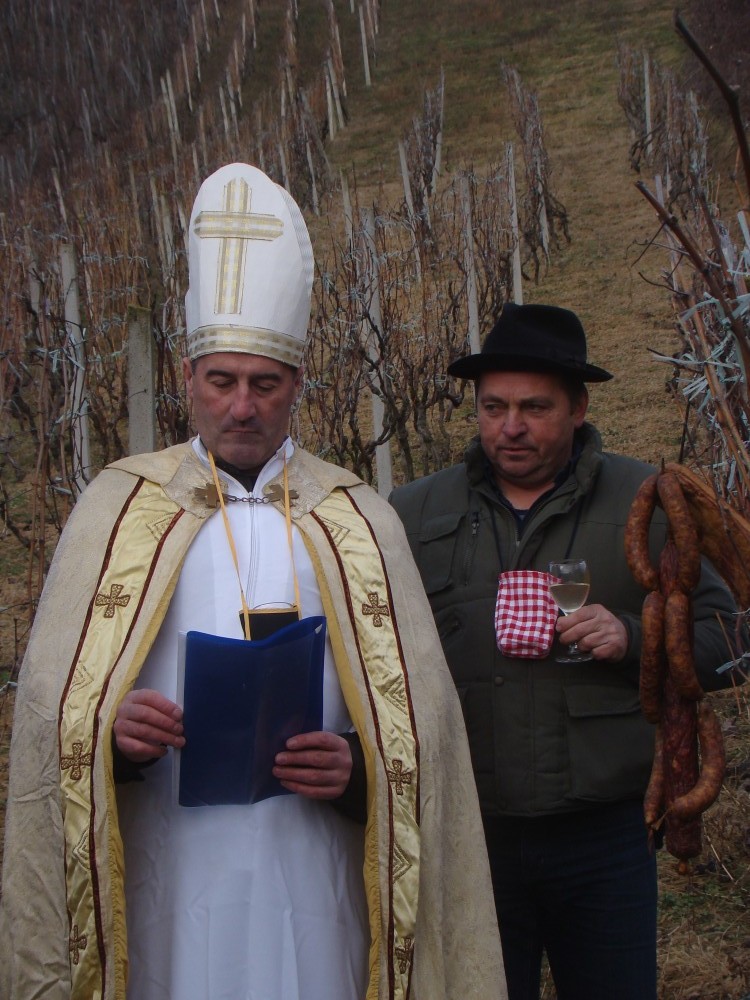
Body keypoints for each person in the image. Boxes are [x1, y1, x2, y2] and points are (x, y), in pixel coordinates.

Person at [0, 163, 507, 1000]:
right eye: (222, 382)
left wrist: (357, 770)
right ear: (188, 380)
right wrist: (112, 739)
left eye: (264, 385)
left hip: (317, 870)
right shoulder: (117, 509)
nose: (242, 407)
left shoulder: (356, 517)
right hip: (167, 863)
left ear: (296, 387)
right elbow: (54, 716)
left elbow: (422, 731)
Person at [390, 302, 739, 1000]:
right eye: (493, 407)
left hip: (603, 834)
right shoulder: (413, 512)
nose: (510, 427)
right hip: (469, 833)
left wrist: (636, 638)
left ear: (578, 408)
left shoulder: (649, 502)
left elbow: (732, 639)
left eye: (534, 408)